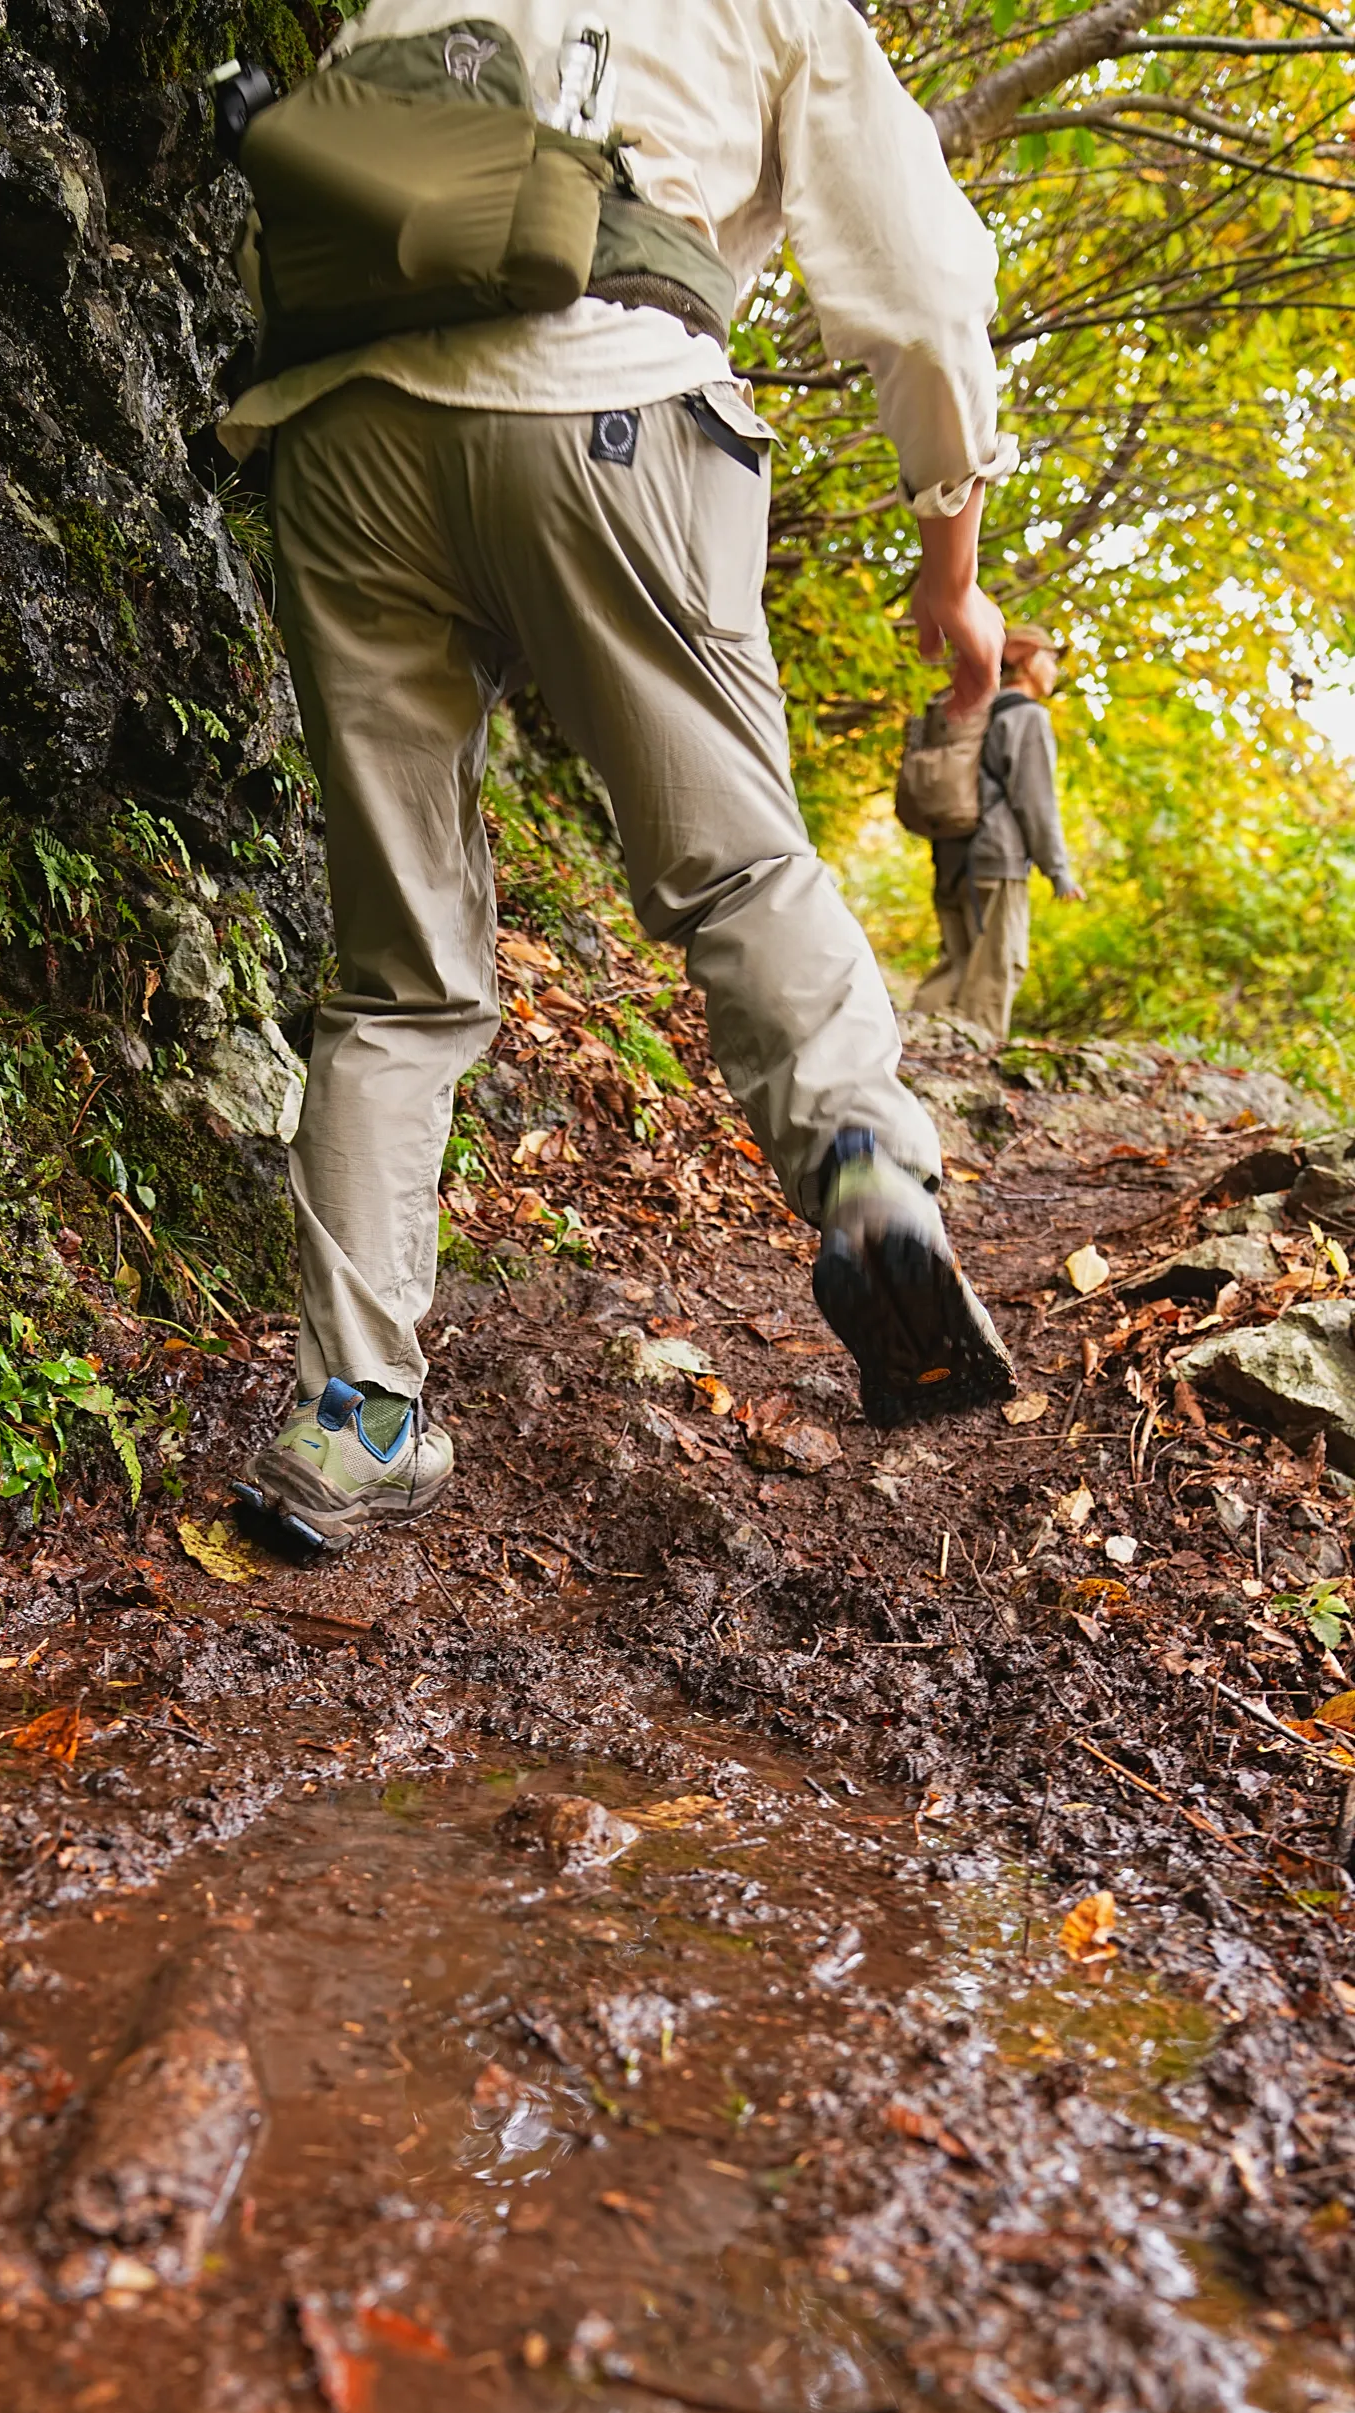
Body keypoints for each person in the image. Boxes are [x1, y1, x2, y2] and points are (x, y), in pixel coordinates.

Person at [216, 0, 1021, 1554]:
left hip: (339, 434)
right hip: (605, 401)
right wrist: (953, 562)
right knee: (736, 872)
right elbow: (919, 291)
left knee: (394, 978)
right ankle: (861, 1167)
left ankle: (352, 1415)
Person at [912, 621, 1081, 1045]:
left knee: (956, 964)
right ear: (1026, 661)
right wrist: (1058, 871)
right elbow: (1035, 801)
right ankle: (972, 1070)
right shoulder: (1026, 716)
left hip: (951, 853)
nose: (1055, 670)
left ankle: (907, 1052)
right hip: (995, 859)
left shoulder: (971, 711)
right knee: (995, 968)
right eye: (1050, 659)